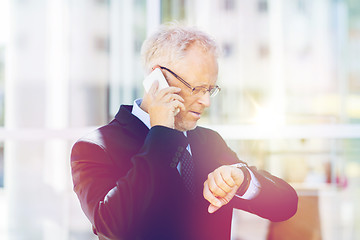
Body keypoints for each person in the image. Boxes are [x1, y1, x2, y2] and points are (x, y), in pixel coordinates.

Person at [71, 23, 298, 240]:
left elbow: (286, 205)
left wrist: (244, 179)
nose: (206, 101)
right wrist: (161, 132)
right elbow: (114, 227)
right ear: (157, 78)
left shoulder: (209, 141)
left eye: (210, 89)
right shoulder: (96, 148)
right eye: (197, 89)